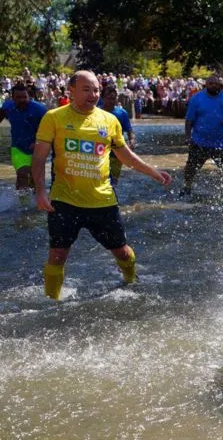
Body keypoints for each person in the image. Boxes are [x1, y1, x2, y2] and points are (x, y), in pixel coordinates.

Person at [31, 70, 172, 300]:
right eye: (86, 90)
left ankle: (131, 280)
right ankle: (51, 302)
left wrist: (153, 172)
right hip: (64, 200)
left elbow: (125, 156)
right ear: (71, 91)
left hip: (102, 200)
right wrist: (40, 191)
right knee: (57, 255)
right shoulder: (54, 117)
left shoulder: (109, 120)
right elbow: (39, 158)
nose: (93, 95)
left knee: (123, 253)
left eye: (96, 90)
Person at [182, 76, 223, 196]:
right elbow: (189, 120)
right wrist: (188, 136)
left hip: (222, 142)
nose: (213, 86)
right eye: (210, 83)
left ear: (219, 85)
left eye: (216, 84)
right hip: (199, 141)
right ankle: (187, 187)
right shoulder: (197, 98)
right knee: (190, 168)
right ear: (206, 85)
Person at [0, 82, 48, 199]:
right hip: (18, 147)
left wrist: (38, 141)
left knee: (35, 179)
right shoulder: (7, 107)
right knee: (22, 174)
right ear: (12, 98)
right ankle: (22, 205)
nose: (22, 100)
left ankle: (35, 204)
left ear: (29, 96)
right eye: (18, 97)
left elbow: (49, 129)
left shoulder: (39, 109)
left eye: (24, 97)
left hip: (38, 148)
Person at [100, 84, 135, 187]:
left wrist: (132, 141)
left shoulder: (122, 113)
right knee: (100, 180)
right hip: (99, 152)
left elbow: (129, 131)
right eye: (108, 98)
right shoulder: (96, 113)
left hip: (117, 154)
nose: (111, 101)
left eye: (113, 98)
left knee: (112, 183)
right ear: (102, 98)